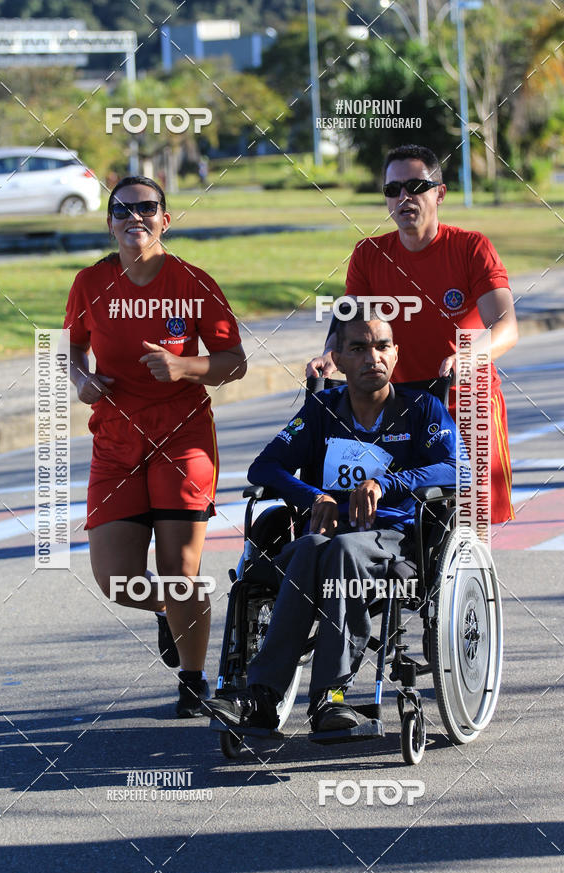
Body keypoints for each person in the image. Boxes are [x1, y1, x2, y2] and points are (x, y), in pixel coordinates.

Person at [206, 311, 458, 735]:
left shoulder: (422, 408)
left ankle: (331, 695)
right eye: (357, 348)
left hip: (391, 539)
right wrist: (312, 496)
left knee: (335, 550)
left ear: (396, 354)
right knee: (309, 547)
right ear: (337, 358)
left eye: (381, 346)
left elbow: (456, 469)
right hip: (324, 540)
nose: (371, 357)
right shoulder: (322, 410)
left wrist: (386, 483)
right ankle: (262, 696)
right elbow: (264, 467)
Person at [63, 175, 247, 717]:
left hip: (181, 434)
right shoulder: (89, 283)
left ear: (165, 219)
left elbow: (234, 362)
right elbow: (70, 350)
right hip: (116, 440)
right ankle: (174, 613)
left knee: (179, 571)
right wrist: (81, 382)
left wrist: (183, 367)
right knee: (116, 582)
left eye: (146, 207)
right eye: (122, 209)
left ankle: (193, 680)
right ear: (110, 222)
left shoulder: (192, 281)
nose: (133, 217)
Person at [307, 144, 518, 524]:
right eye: (393, 189)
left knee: (470, 530)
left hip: (465, 406)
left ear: (440, 193)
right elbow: (347, 320)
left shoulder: (472, 248)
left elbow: (505, 328)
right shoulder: (369, 254)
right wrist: (329, 355)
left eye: (416, 186)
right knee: (403, 523)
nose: (404, 197)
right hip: (402, 413)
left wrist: (467, 356)